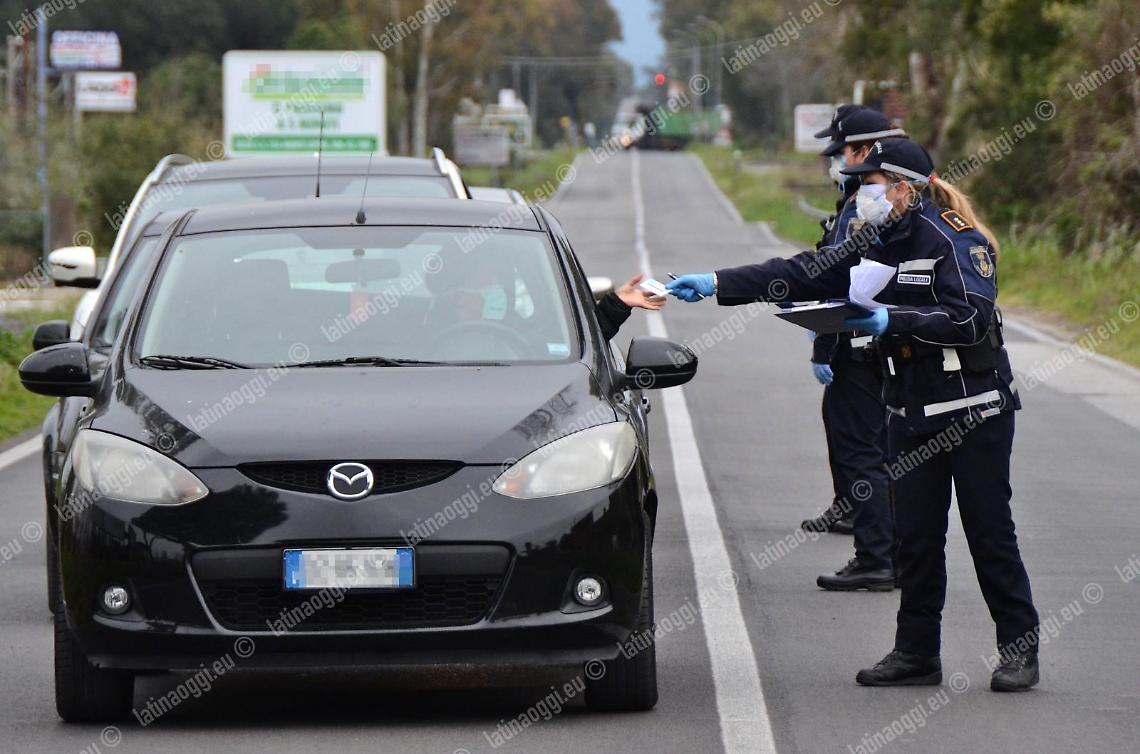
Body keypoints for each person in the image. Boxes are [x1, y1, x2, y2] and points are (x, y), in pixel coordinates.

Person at [666, 138, 1040, 691]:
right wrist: (718, 283)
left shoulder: (952, 241)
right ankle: (916, 654)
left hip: (973, 412)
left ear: (903, 188)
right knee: (915, 538)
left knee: (989, 534)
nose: (858, 192)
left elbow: (970, 320)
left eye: (868, 184)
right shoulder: (874, 240)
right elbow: (797, 273)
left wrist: (892, 320)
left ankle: (1019, 650)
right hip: (910, 413)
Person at [801, 109, 908, 597]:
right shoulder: (873, 201)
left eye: (844, 151)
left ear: (866, 151)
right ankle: (886, 551)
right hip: (878, 347)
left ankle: (877, 558)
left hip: (862, 346)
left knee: (862, 451)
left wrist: (824, 340)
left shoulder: (871, 207)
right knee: (871, 449)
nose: (838, 161)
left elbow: (846, 285)